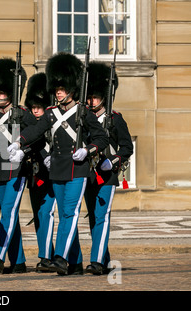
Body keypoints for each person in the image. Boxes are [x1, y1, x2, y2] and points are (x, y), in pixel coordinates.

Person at [7, 52, 109, 275]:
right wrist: (19, 142)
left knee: (70, 214)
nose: (58, 91)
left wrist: (87, 150)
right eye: (56, 88)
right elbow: (36, 130)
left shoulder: (83, 112)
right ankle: (75, 263)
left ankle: (60, 257)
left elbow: (101, 138)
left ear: (72, 89)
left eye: (62, 88)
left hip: (78, 168)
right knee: (64, 216)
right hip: (58, 169)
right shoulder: (51, 113)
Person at [0, 58, 38, 274]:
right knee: (7, 212)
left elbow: (39, 138)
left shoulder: (23, 115)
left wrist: (25, 151)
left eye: (2, 92)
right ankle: (19, 261)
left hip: (16, 171)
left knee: (9, 212)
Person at [83, 61, 133, 275]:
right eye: (89, 97)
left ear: (104, 97)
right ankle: (103, 259)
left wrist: (112, 161)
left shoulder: (114, 119)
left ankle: (96, 261)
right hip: (88, 174)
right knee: (94, 218)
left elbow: (126, 147)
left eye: (95, 97)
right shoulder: (83, 119)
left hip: (106, 174)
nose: (91, 101)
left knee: (102, 217)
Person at [23, 72, 57, 272]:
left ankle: (49, 256)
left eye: (39, 107)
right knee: (39, 215)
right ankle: (47, 254)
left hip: (52, 174)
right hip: (35, 174)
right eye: (33, 107)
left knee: (47, 213)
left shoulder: (52, 122)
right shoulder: (29, 124)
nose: (36, 111)